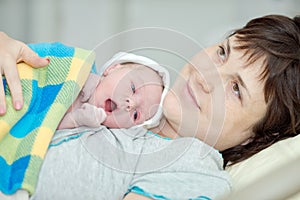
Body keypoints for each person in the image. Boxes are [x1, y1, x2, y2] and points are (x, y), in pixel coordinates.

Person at [0, 14, 299, 200]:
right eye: (222, 52)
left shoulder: (193, 171)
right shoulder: (126, 87)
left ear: (254, 138)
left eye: (236, 89)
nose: (207, 76)